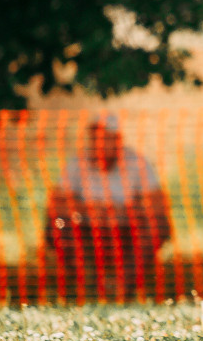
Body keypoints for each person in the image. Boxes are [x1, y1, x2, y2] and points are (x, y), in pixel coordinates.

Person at [45, 114, 172, 300]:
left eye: (104, 139)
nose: (99, 145)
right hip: (87, 227)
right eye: (95, 139)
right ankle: (88, 284)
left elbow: (158, 204)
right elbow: (56, 202)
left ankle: (124, 285)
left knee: (157, 225)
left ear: (117, 140)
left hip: (126, 228)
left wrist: (125, 211)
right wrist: (86, 210)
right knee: (58, 223)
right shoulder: (77, 163)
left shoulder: (137, 162)